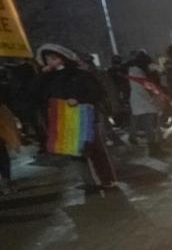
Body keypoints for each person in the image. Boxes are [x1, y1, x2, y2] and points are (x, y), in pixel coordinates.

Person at [29, 43, 117, 190]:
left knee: (95, 148)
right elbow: (33, 94)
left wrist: (79, 98)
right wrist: (42, 75)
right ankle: (89, 181)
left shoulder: (80, 74)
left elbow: (97, 92)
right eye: (48, 59)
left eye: (54, 58)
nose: (51, 61)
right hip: (63, 119)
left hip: (85, 116)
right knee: (73, 150)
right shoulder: (47, 79)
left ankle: (106, 179)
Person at [125, 50, 165, 156]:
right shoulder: (139, 73)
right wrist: (157, 96)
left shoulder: (132, 71)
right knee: (150, 126)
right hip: (146, 101)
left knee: (146, 124)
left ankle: (137, 140)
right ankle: (154, 149)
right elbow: (149, 87)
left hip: (139, 101)